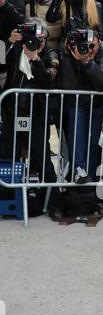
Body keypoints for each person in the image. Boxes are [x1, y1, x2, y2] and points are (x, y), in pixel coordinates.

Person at [0, 18, 61, 219]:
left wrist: (35, 59)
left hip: (36, 116)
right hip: (11, 113)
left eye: (41, 40)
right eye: (33, 39)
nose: (37, 43)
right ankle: (9, 201)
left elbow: (47, 82)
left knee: (43, 161)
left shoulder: (50, 55)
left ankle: (54, 204)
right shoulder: (14, 50)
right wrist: (9, 43)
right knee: (8, 159)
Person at [56, 29, 103, 184]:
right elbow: (68, 86)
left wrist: (87, 62)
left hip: (97, 103)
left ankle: (90, 188)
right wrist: (69, 56)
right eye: (86, 46)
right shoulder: (70, 51)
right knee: (76, 142)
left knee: (92, 146)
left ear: (99, 42)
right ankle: (79, 172)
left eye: (92, 46)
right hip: (76, 104)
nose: (89, 50)